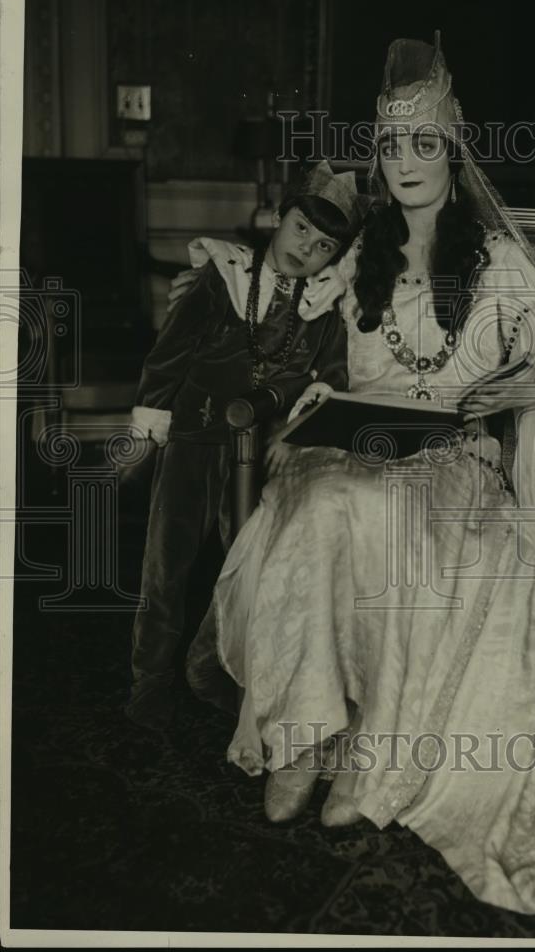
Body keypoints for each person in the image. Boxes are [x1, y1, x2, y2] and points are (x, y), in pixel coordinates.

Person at [202, 34, 535, 914]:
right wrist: (223, 288)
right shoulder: (356, 255)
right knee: (324, 504)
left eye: (423, 144)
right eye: (392, 146)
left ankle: (375, 753)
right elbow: (276, 324)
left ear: (451, 149)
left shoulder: (499, 263)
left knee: (393, 525)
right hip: (347, 446)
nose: (405, 162)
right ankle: (305, 737)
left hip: (449, 459)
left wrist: (523, 384)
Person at [125, 162, 365, 728]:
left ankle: (233, 674)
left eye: (324, 245)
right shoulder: (225, 275)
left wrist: (293, 429)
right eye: (301, 229)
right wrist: (151, 419)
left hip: (261, 450)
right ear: (279, 220)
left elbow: (329, 382)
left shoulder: (324, 307)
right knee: (168, 562)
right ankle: (149, 678)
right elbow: (170, 352)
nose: (306, 249)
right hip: (194, 438)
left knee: (253, 566)